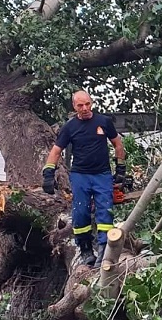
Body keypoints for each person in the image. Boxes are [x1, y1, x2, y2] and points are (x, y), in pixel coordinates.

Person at [43, 90, 127, 267]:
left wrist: (120, 168)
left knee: (105, 211)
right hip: (80, 175)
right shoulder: (70, 127)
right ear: (74, 106)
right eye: (80, 105)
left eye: (87, 104)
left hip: (102, 175)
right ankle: (85, 250)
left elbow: (118, 144)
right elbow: (56, 151)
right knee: (80, 213)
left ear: (91, 103)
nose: (85, 108)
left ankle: (104, 251)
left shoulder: (103, 122)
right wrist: (48, 174)